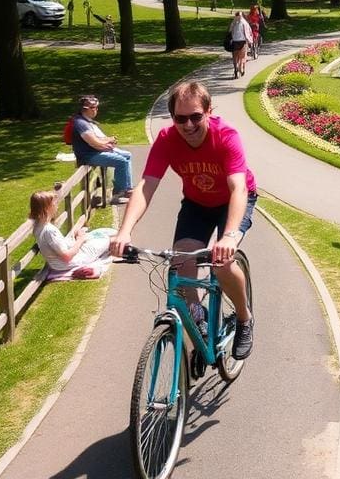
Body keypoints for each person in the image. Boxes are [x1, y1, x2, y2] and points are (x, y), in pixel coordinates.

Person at [110, 80, 257, 360]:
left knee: (222, 264)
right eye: (180, 118)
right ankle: (196, 319)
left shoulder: (226, 136)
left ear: (209, 112)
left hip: (233, 200)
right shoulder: (167, 140)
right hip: (197, 204)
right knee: (181, 265)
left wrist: (228, 237)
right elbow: (146, 186)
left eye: (195, 117)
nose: (188, 125)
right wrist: (124, 232)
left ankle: (243, 318)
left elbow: (238, 187)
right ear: (172, 118)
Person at [71, 95, 133, 204]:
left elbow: (98, 140)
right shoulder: (81, 123)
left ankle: (127, 189)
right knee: (121, 161)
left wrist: (106, 142)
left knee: (127, 155)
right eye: (94, 107)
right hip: (88, 156)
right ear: (85, 109)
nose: (96, 110)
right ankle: (118, 194)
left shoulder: (87, 121)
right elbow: (94, 142)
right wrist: (106, 143)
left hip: (96, 151)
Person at [30, 190, 112, 271]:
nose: (57, 206)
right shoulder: (49, 230)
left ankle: (78, 233)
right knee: (105, 238)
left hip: (58, 263)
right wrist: (80, 240)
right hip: (67, 263)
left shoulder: (38, 226)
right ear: (47, 208)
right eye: (54, 203)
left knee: (93, 236)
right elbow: (67, 256)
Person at [228, 11, 251, 78]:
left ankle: (236, 69)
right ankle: (241, 68)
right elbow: (248, 32)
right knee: (242, 57)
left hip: (234, 41)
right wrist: (249, 41)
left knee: (235, 57)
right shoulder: (244, 23)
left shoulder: (233, 22)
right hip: (242, 42)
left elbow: (230, 31)